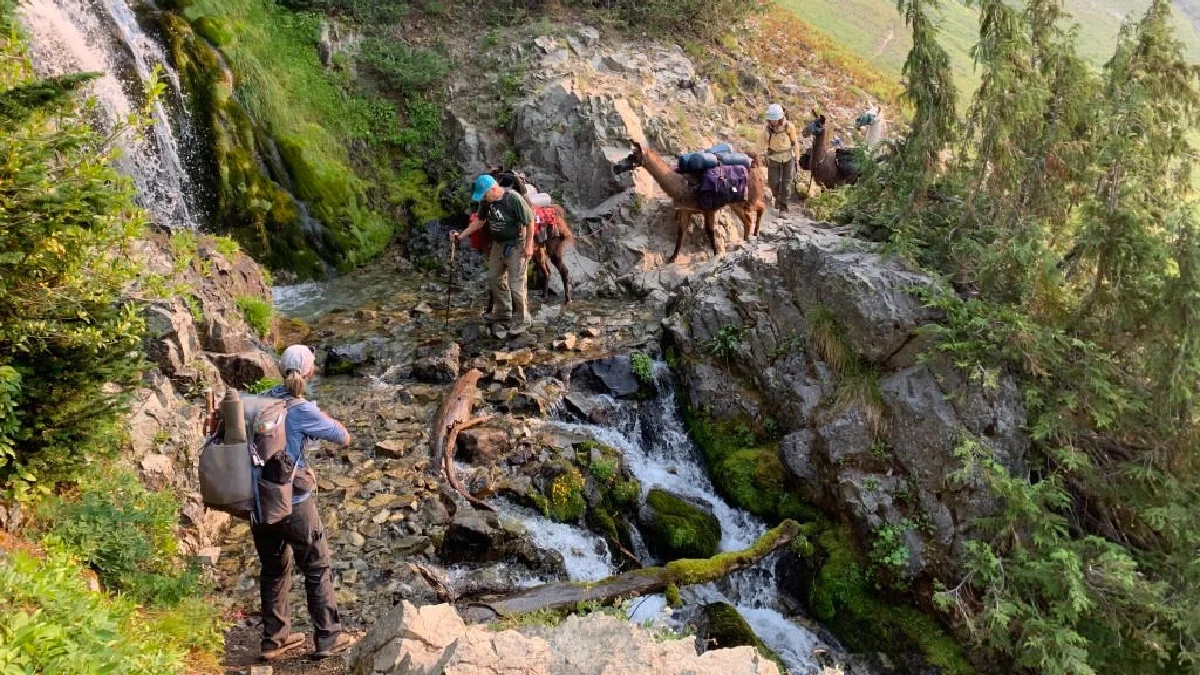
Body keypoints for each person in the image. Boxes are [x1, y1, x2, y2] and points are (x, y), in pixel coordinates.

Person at [255, 345, 354, 662]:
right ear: (309, 373)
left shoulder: (262, 400)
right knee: (316, 566)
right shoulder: (303, 410)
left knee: (273, 569)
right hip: (295, 502)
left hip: (259, 500)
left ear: (281, 369)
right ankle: (327, 638)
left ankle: (273, 639)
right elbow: (343, 437)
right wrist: (320, 414)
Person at [451, 174, 536, 336]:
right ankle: (504, 311)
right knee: (493, 277)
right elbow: (479, 222)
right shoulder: (486, 203)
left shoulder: (514, 199)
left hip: (516, 244)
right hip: (498, 244)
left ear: (492, 189)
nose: (483, 198)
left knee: (516, 284)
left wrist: (529, 245)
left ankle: (523, 319)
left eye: (484, 195)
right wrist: (461, 235)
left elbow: (529, 221)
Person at [760, 103, 798, 212]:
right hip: (774, 158)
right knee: (773, 182)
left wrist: (797, 158)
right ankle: (777, 198)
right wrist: (754, 156)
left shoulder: (789, 127)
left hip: (788, 157)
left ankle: (783, 208)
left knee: (786, 184)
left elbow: (795, 142)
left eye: (775, 119)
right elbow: (760, 144)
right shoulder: (767, 130)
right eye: (771, 119)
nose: (773, 122)